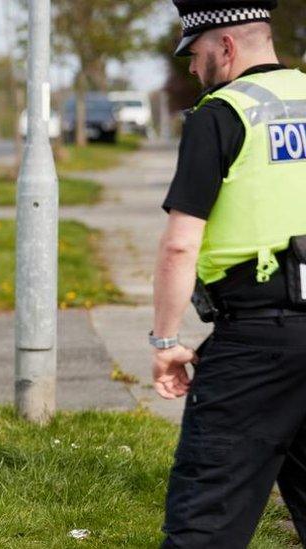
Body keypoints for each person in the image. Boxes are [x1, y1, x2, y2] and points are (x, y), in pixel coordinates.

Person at [152, 1, 306, 546]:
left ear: (225, 46)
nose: (192, 70)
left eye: (194, 55)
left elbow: (179, 246)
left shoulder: (222, 114)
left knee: (206, 516)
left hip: (257, 344)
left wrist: (167, 340)